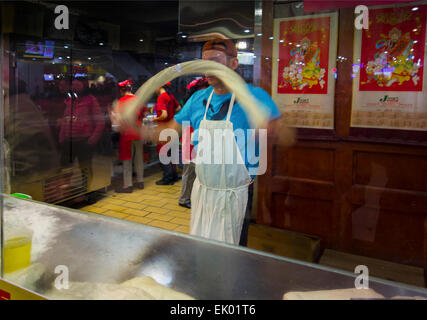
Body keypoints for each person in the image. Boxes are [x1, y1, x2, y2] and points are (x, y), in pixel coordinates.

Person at [122, 38, 295, 245]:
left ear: (233, 64)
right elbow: (168, 131)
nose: (208, 68)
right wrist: (135, 127)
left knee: (232, 260)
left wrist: (273, 129)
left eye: (215, 61)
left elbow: (287, 137)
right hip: (202, 192)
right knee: (202, 251)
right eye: (205, 62)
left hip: (234, 197)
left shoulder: (255, 97)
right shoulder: (197, 99)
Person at [59, 68, 104, 186]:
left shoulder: (91, 100)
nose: (74, 89)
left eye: (77, 86)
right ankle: (66, 189)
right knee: (66, 167)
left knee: (85, 168)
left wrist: (92, 139)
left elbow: (100, 121)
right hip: (69, 140)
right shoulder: (70, 101)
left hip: (84, 140)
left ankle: (87, 191)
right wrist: (62, 137)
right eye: (73, 86)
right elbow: (66, 119)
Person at [178, 77, 209, 209]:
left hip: (194, 141)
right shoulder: (195, 103)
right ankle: (184, 199)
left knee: (194, 172)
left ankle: (191, 197)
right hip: (190, 142)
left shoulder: (197, 102)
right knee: (189, 172)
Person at [113, 80, 146, 193]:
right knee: (139, 158)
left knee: (127, 160)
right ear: (131, 89)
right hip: (138, 132)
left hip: (127, 134)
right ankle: (140, 182)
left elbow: (118, 119)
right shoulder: (138, 99)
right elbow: (144, 114)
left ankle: (128, 185)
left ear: (122, 90)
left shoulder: (121, 101)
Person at [154, 82, 181, 185]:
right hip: (172, 128)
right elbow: (178, 108)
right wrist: (171, 114)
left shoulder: (161, 97)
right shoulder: (170, 96)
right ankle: (174, 176)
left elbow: (164, 115)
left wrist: (155, 119)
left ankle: (167, 178)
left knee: (163, 153)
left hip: (164, 129)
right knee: (172, 153)